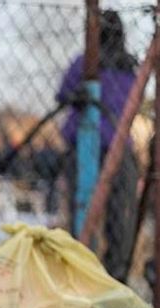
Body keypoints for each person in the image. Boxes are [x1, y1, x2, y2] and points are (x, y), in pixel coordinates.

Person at [57, 9, 139, 281]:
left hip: (85, 145)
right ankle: (116, 274)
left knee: (83, 211)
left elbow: (62, 95)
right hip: (118, 146)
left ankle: (83, 271)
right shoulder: (129, 68)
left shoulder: (86, 62)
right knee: (119, 215)